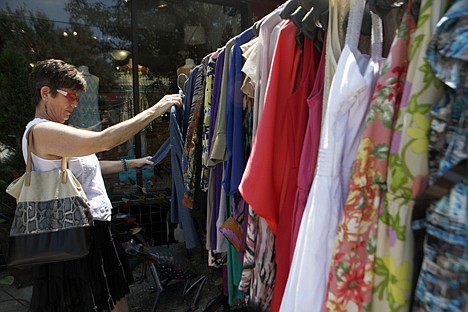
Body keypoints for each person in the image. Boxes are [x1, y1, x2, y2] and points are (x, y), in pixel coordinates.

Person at [23, 59, 182, 312]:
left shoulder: (58, 130)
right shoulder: (42, 132)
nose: (75, 104)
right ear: (46, 94)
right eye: (70, 97)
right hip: (73, 234)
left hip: (92, 226)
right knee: (94, 301)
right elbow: (105, 140)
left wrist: (130, 164)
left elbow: (89, 167)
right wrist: (156, 109)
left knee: (113, 297)